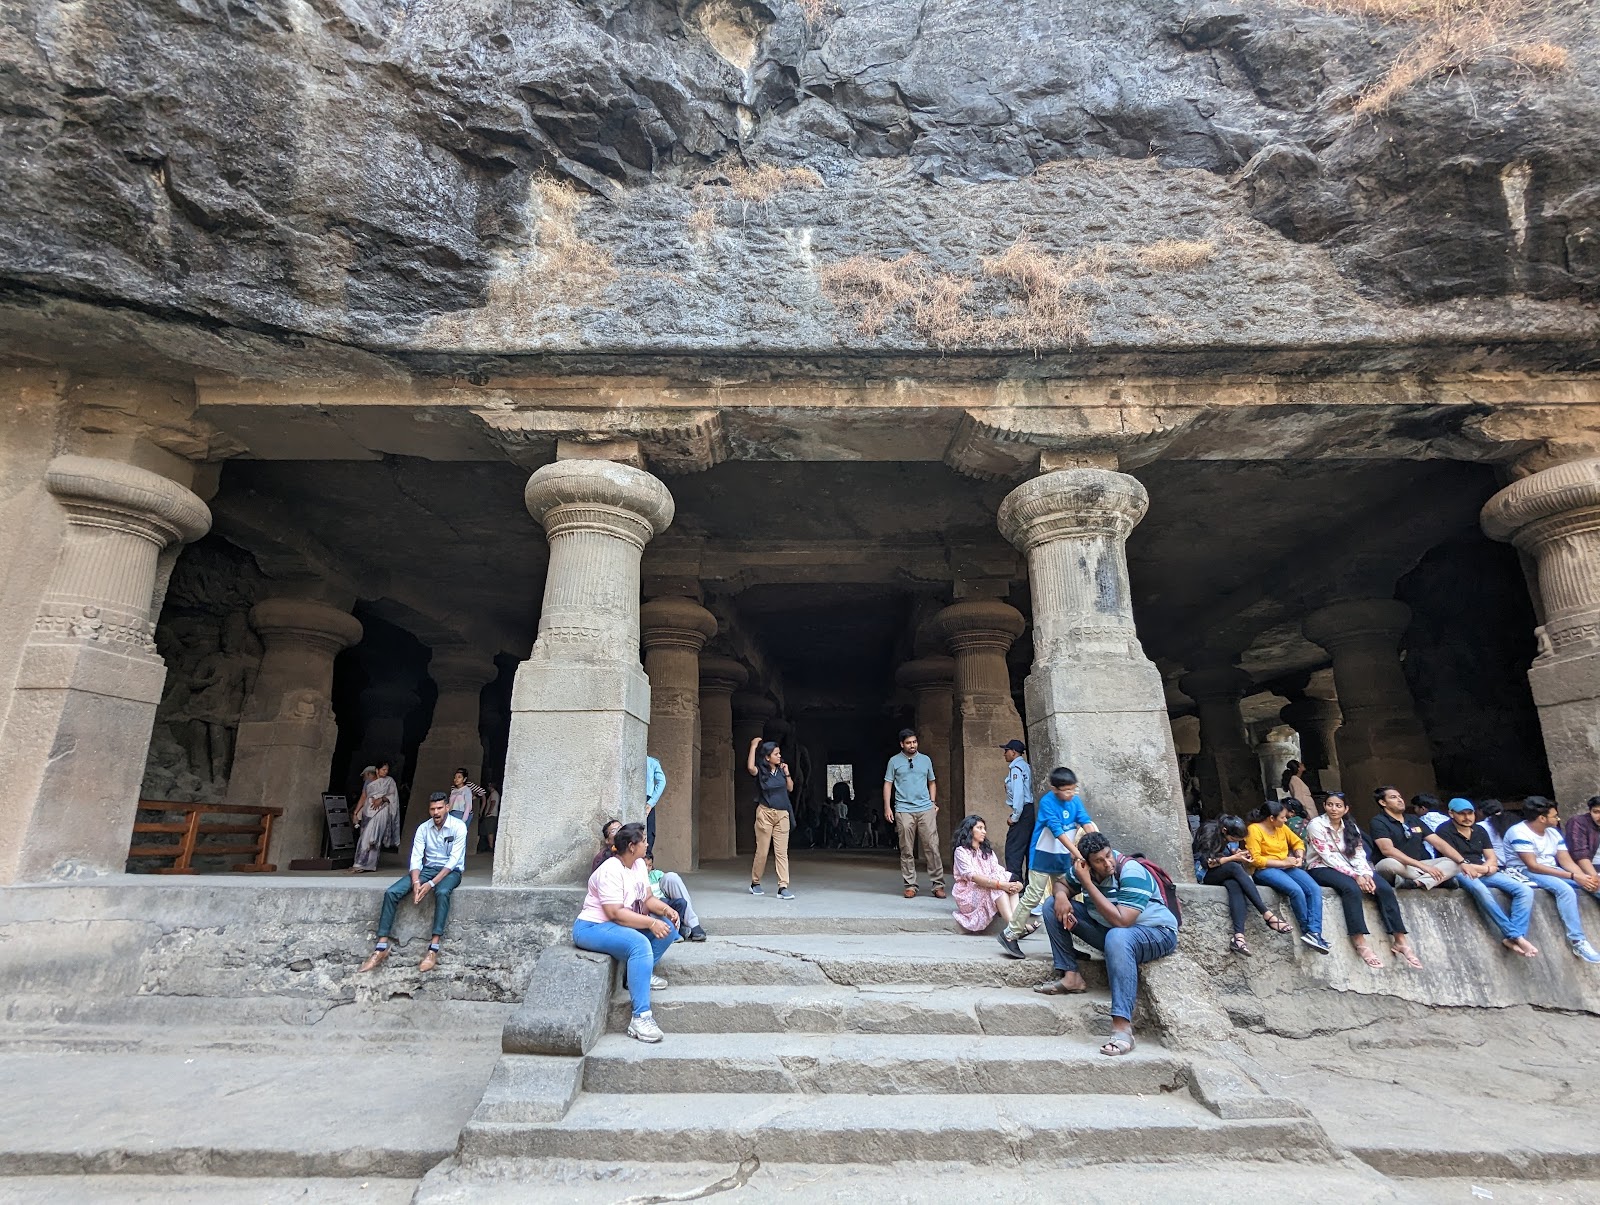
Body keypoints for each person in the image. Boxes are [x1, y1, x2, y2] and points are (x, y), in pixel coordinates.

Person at [1033, 833, 1178, 1057]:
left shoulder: (1131, 872)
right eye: (1099, 860)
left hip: (1157, 933)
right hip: (1114, 934)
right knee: (1052, 905)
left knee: (1117, 936)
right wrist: (1061, 896)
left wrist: (1087, 884)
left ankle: (1122, 1028)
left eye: (1108, 855)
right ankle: (1071, 976)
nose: (1107, 863)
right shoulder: (1083, 870)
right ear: (1088, 863)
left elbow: (1122, 921)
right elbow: (1062, 884)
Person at [572, 821, 679, 1043]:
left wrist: (666, 910)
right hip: (593, 927)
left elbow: (648, 899)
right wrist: (650, 924)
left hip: (618, 925)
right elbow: (615, 914)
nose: (647, 844)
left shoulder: (639, 865)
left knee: (667, 930)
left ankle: (639, 976)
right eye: (644, 840)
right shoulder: (610, 870)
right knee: (640, 944)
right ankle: (640, 1018)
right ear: (632, 846)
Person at [1304, 791, 1421, 968]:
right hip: (1321, 867)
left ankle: (1400, 940)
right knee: (1350, 889)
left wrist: (1365, 873)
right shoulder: (1316, 825)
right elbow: (1327, 856)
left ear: (1345, 809)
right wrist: (1356, 876)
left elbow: (1359, 854)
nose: (1333, 809)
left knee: (1383, 888)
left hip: (1354, 868)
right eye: (1330, 805)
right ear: (1324, 806)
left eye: (1338, 806)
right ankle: (1359, 941)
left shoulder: (1351, 827)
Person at [358, 793, 467, 974]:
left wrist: (431, 884)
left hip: (450, 872)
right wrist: (417, 882)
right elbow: (416, 858)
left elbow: (454, 860)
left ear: (447, 807)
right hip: (427, 869)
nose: (436, 812)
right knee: (392, 892)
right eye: (432, 809)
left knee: (442, 892)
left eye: (440, 808)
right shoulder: (423, 828)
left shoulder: (459, 827)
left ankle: (433, 949)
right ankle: (381, 947)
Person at [997, 767, 1096, 958]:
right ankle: (1009, 935)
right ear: (1054, 789)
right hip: (1042, 856)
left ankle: (1065, 945)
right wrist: (1079, 854)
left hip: (1061, 858)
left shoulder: (1075, 801)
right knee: (1033, 896)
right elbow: (1057, 832)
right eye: (1066, 790)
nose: (1070, 794)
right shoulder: (1047, 802)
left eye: (1073, 789)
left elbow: (1086, 822)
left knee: (1066, 900)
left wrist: (1098, 844)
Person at [1426, 797, 1538, 958]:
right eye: (1462, 814)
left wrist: (1488, 867)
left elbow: (1491, 857)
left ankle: (1513, 936)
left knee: (1525, 890)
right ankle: (1517, 936)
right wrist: (1485, 868)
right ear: (1451, 814)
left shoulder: (1479, 830)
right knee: (1482, 891)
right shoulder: (1444, 830)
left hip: (1482, 870)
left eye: (1470, 813)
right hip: (1458, 870)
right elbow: (1454, 860)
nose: (1467, 817)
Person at [1505, 797, 1600, 962]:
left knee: (1595, 885)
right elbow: (1533, 866)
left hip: (1552, 870)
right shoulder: (1518, 832)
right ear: (1542, 818)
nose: (1558, 819)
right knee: (1565, 890)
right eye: (1554, 816)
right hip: (1523, 871)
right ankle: (1577, 941)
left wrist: (1584, 878)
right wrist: (1573, 877)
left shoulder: (1553, 832)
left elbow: (1565, 861)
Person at [1193, 813, 1292, 955]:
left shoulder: (1230, 832)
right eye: (1233, 839)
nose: (1234, 841)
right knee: (1235, 868)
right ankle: (1267, 914)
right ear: (1225, 831)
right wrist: (1233, 858)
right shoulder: (1208, 832)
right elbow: (1207, 862)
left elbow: (1229, 852)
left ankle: (1239, 937)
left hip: (1223, 869)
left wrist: (1238, 854)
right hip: (1204, 872)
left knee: (1234, 885)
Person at [1246, 799, 1330, 953]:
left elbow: (1297, 841)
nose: (1286, 820)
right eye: (1283, 817)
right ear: (1271, 818)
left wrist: (1299, 856)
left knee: (1314, 889)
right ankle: (1307, 931)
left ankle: (1315, 932)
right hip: (1265, 869)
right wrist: (1284, 863)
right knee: (1296, 891)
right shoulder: (1254, 830)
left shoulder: (1281, 828)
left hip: (1287, 865)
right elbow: (1256, 860)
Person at [883, 728, 944, 899]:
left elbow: (932, 782)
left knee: (932, 846)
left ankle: (938, 884)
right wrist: (887, 807)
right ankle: (910, 885)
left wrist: (933, 802)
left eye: (915, 742)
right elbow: (888, 784)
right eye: (909, 743)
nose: (912, 745)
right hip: (903, 809)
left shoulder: (925, 760)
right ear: (902, 744)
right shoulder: (894, 761)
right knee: (906, 849)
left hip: (925, 808)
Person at [1370, 785, 1459, 889]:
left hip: (1416, 867)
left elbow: (1439, 843)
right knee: (1388, 864)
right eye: (1393, 797)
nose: (1400, 800)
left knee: (1454, 862)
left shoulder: (1413, 819)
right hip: (1399, 865)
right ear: (1382, 802)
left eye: (1400, 797)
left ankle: (1417, 883)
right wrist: (1424, 867)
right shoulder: (1378, 821)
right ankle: (1439, 881)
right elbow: (1387, 850)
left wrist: (1463, 862)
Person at [951, 816, 1022, 932]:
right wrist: (1000, 884)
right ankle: (1015, 927)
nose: (984, 832)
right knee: (998, 886)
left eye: (984, 828)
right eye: (979, 828)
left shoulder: (987, 852)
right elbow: (972, 876)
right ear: (969, 830)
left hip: (987, 888)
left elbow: (999, 871)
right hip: (968, 894)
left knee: (1009, 886)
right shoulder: (961, 851)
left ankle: (1017, 924)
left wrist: (1016, 884)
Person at [747, 738, 795, 899]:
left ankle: (783, 886)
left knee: (782, 852)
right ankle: (755, 883)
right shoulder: (760, 771)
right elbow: (750, 767)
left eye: (779, 753)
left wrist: (787, 772)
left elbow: (790, 788)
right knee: (762, 851)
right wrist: (753, 747)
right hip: (765, 814)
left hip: (782, 815)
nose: (779, 756)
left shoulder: (782, 770)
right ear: (767, 757)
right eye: (776, 754)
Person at [644, 854, 708, 942]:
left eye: (649, 865)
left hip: (663, 902)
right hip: (649, 907)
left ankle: (692, 924)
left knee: (672, 878)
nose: (647, 868)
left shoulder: (654, 874)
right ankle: (678, 931)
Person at [350, 760, 399, 873]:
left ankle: (369, 865)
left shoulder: (389, 781)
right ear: (377, 770)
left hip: (381, 811)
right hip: (368, 811)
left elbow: (393, 797)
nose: (386, 772)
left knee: (372, 837)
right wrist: (356, 812)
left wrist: (382, 799)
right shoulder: (369, 782)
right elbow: (364, 796)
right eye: (383, 769)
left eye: (387, 770)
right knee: (364, 837)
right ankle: (359, 863)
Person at [1000, 739, 1034, 885]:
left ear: (1013, 752)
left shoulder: (1016, 769)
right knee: (1026, 847)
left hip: (1023, 812)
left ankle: (1015, 883)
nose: (1004, 754)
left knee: (1013, 849)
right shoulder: (1024, 766)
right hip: (1028, 811)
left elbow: (1019, 795)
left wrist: (1014, 817)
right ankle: (1027, 884)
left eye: (1006, 750)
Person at [1565, 795, 1600, 882]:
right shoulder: (1578, 823)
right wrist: (1595, 877)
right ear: (1590, 811)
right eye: (1596, 812)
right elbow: (1580, 854)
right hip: (1590, 868)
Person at [644, 755, 666, 856]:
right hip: (647, 799)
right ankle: (647, 859)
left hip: (643, 798)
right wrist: (651, 802)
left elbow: (662, 782)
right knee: (649, 832)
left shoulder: (651, 762)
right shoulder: (651, 761)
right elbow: (661, 782)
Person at [477, 781, 500, 853]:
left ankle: (491, 847)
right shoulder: (493, 794)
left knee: (490, 832)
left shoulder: (494, 794)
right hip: (490, 815)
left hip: (491, 815)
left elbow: (493, 802)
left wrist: (489, 812)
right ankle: (488, 846)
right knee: (486, 831)